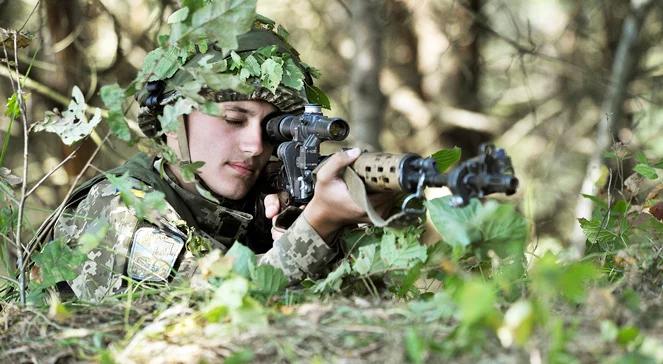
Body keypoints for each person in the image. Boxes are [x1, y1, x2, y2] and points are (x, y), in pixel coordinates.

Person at [48, 17, 380, 302]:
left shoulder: (257, 204)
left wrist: (362, 218)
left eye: (270, 128)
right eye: (234, 119)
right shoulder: (120, 206)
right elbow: (209, 311)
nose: (255, 145)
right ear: (172, 122)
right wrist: (318, 227)